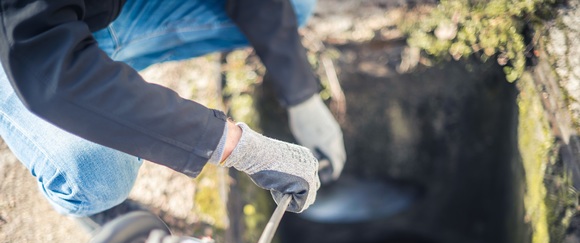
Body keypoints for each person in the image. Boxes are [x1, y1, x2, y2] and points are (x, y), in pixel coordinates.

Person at [0, 0, 347, 226]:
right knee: (97, 174)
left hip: (105, 11)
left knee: (294, 7)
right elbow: (49, 70)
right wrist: (240, 147)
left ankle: (105, 82)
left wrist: (301, 95)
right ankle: (90, 191)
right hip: (22, 49)